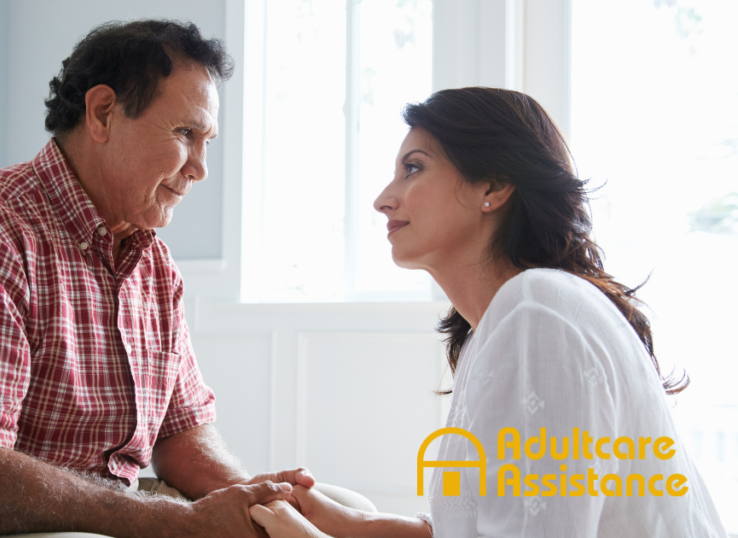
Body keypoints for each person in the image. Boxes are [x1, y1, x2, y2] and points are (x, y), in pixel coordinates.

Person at [0, 20, 372, 538]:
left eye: (207, 141)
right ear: (102, 112)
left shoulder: (153, 262)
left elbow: (182, 435)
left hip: (95, 507)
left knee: (336, 504)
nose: (200, 168)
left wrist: (259, 506)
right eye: (184, 134)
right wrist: (184, 523)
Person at [247, 87, 728, 537]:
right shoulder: (508, 320)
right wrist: (352, 523)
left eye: (413, 168)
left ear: (493, 186)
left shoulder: (538, 314)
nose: (383, 199)